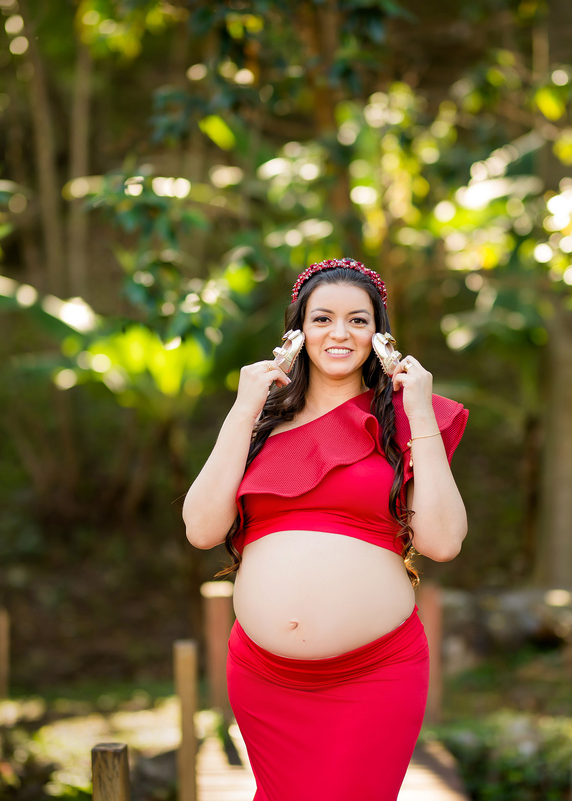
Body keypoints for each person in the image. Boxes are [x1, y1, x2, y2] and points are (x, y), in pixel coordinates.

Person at [183, 257, 468, 801]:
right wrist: (243, 410)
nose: (340, 333)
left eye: (359, 320)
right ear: (298, 331)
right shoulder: (258, 424)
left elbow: (443, 541)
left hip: (375, 674)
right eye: (323, 319)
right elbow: (201, 528)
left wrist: (421, 413)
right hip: (265, 678)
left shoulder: (404, 422)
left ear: (379, 336)